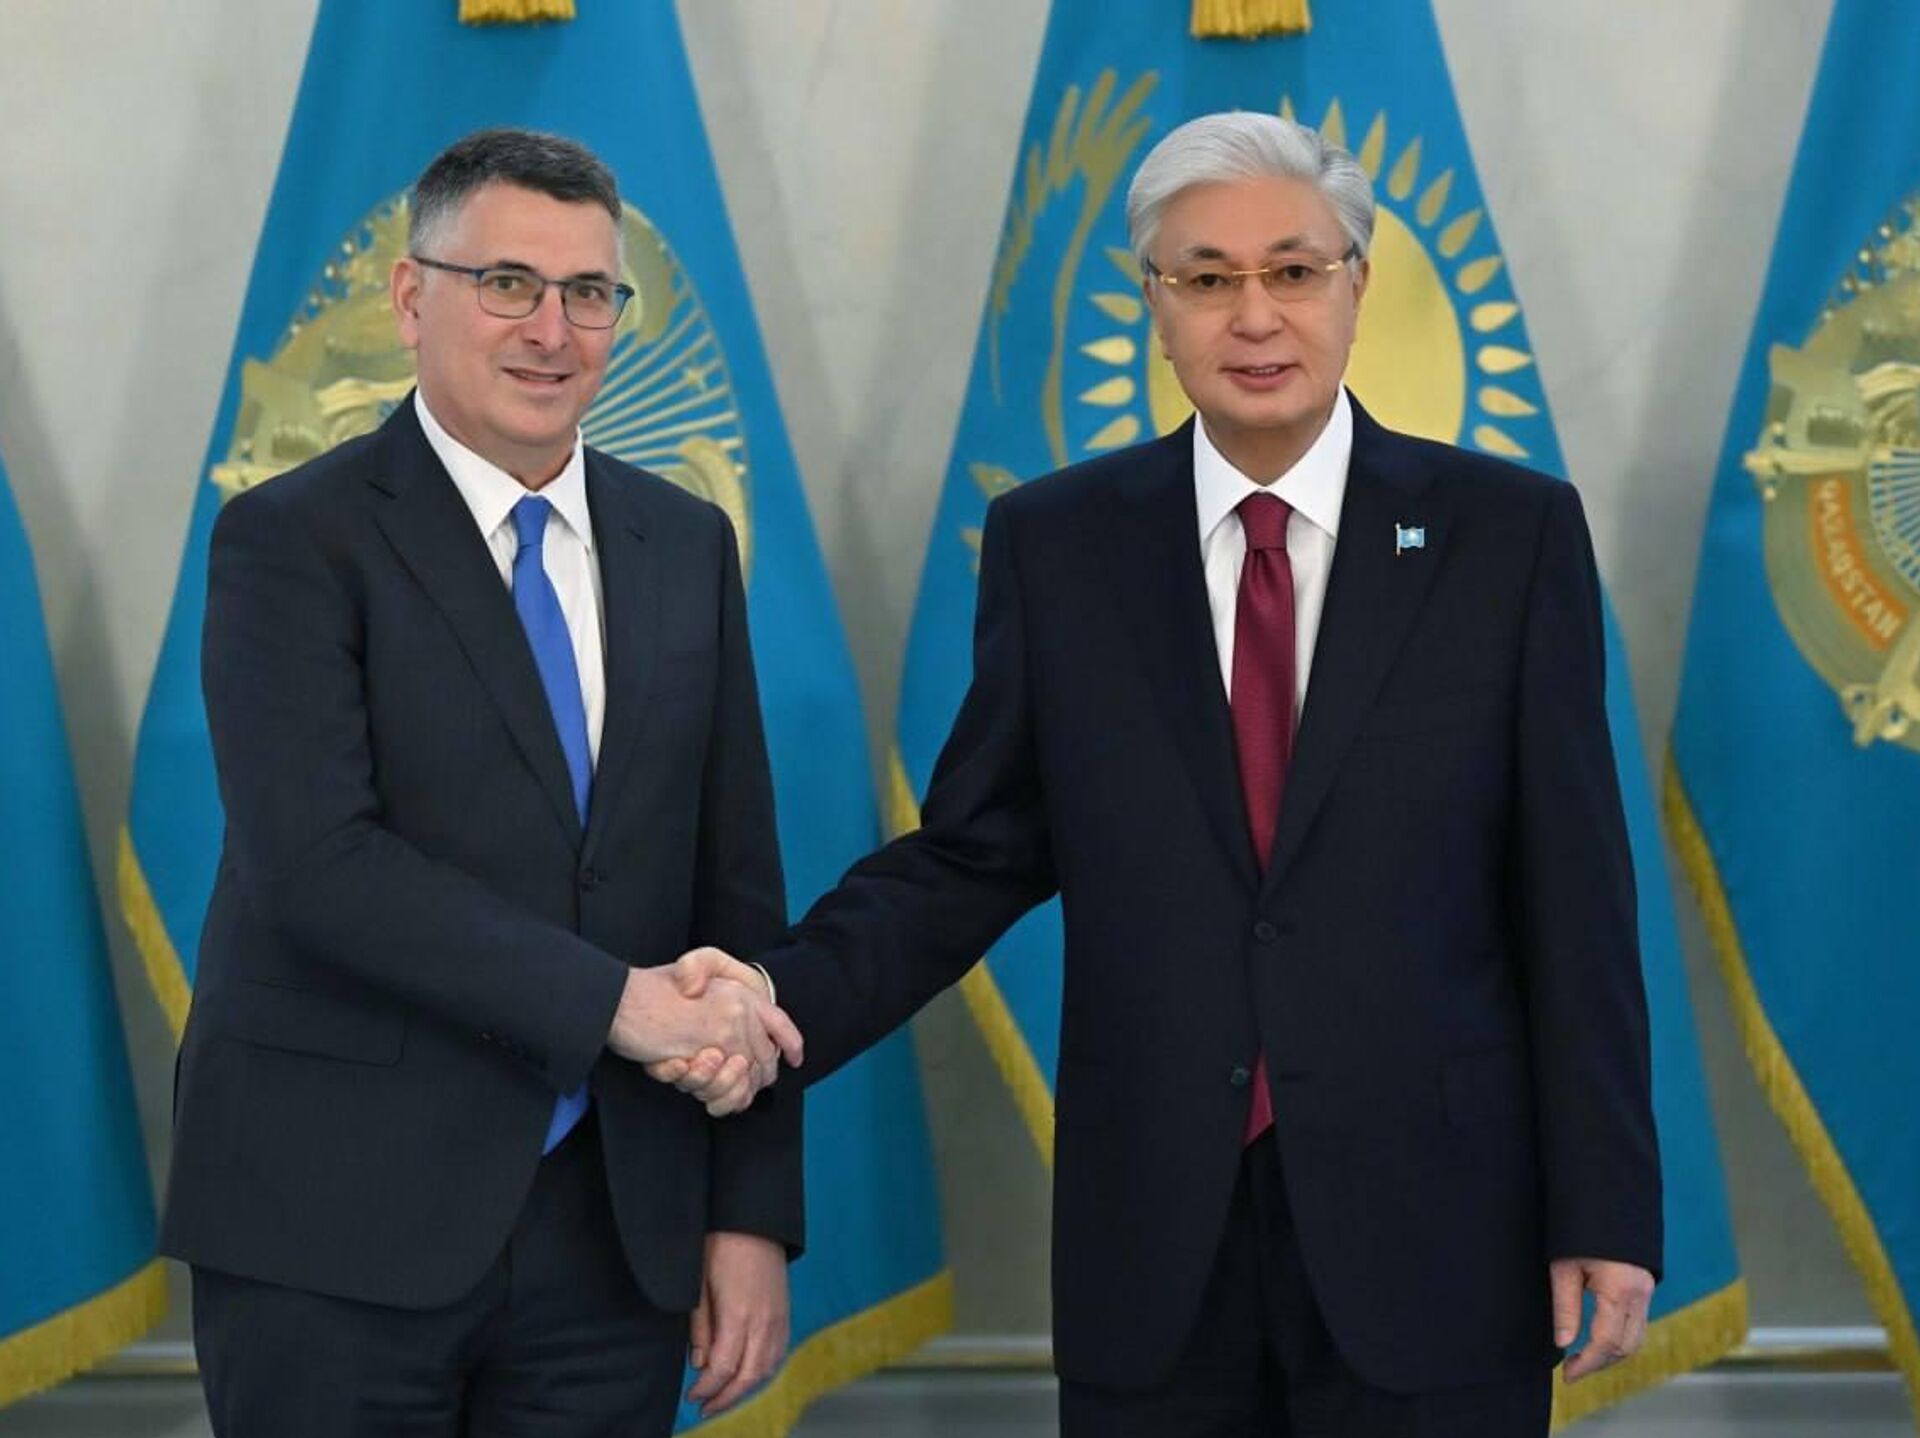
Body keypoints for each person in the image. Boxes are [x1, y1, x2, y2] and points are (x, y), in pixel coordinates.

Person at [668, 111, 1662, 1436]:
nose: (1254, 314)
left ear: (1358, 284)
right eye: (1207, 277)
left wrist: (1605, 1207)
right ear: (1154, 301)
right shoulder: (1059, 545)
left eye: (1293, 269)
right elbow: (971, 855)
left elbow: (1576, 897)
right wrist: (769, 999)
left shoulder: (1506, 535)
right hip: (1155, 1241)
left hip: (1440, 1233)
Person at [163, 128, 804, 1437]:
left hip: (615, 1236)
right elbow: (319, 868)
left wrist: (747, 1215)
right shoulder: (289, 540)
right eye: (508, 283)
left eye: (589, 293)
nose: (551, 331)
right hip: (334, 1224)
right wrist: (617, 1005)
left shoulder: (686, 545)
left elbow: (734, 892)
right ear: (412, 298)